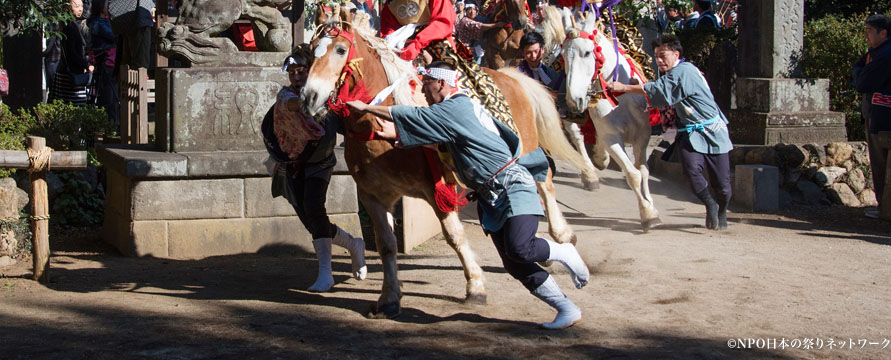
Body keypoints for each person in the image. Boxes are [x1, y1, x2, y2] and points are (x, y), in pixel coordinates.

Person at [347, 63, 589, 330]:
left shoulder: (456, 106)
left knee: (521, 247)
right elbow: (441, 140)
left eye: (426, 86)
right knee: (514, 263)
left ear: (441, 83)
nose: (424, 93)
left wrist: (366, 107)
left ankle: (563, 251)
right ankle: (567, 308)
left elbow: (413, 115)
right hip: (489, 196)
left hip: (512, 187)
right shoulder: (454, 112)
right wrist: (399, 137)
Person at [262, 44, 367, 291]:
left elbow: (345, 124)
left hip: (320, 162)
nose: (296, 76)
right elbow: (295, 106)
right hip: (292, 164)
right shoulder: (286, 96)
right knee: (311, 221)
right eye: (293, 72)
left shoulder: (329, 98)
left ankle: (325, 273)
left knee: (314, 208)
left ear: (310, 71)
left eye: (301, 71)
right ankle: (353, 245)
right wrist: (317, 99)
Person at [609, 35, 732, 230]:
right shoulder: (672, 74)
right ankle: (710, 203)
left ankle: (721, 208)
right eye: (656, 56)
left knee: (723, 187)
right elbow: (660, 92)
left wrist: (624, 87)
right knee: (691, 171)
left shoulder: (685, 70)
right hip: (688, 132)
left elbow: (661, 92)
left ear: (676, 54)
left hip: (712, 130)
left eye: (663, 55)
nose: (659, 60)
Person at [851, 14, 891, 219]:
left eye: (870, 31)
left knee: (881, 162)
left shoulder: (887, 55)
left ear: (884, 33)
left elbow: (863, 82)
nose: (866, 36)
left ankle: (886, 208)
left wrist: (860, 74)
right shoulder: (876, 53)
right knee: (878, 162)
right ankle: (884, 206)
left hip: (884, 115)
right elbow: (857, 69)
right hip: (877, 112)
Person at [49, 0, 94, 105]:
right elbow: (73, 53)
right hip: (71, 72)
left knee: (62, 105)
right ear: (68, 9)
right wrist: (86, 64)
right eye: (76, 6)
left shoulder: (68, 25)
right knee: (74, 105)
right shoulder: (70, 27)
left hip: (65, 70)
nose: (80, 9)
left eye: (81, 6)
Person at [88, 0, 119, 124]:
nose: (109, 7)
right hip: (106, 61)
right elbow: (113, 36)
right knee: (109, 96)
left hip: (110, 60)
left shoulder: (102, 21)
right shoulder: (97, 23)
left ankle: (111, 121)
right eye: (107, 4)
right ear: (101, 7)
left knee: (110, 94)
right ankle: (110, 122)